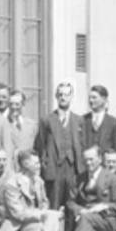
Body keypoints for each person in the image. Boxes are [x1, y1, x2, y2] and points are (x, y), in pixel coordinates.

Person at [36, 81, 85, 219]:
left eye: (66, 94)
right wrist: (45, 165)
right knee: (54, 204)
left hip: (73, 169)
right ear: (56, 96)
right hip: (54, 168)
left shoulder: (79, 120)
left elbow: (83, 144)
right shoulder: (47, 120)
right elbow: (40, 145)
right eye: (60, 94)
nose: (63, 97)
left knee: (72, 204)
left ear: (72, 97)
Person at [81, 84, 116, 172]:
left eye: (94, 97)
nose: (91, 100)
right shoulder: (83, 120)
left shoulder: (113, 122)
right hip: (87, 169)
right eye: (89, 98)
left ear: (104, 99)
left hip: (106, 169)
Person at [0, 89, 38, 172]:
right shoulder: (2, 124)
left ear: (23, 104)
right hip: (8, 171)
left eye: (17, 104)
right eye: (11, 104)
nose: (13, 107)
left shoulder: (32, 125)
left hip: (27, 171)